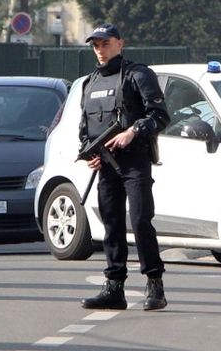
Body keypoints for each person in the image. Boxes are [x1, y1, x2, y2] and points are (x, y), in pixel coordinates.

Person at [78, 23, 170, 309]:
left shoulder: (138, 74)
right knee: (112, 225)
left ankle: (155, 285)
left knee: (141, 220)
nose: (100, 50)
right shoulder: (89, 82)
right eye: (96, 45)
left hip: (134, 161)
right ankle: (114, 288)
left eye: (105, 44)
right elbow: (84, 129)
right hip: (105, 166)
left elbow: (160, 116)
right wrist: (88, 154)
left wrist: (134, 130)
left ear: (120, 43)